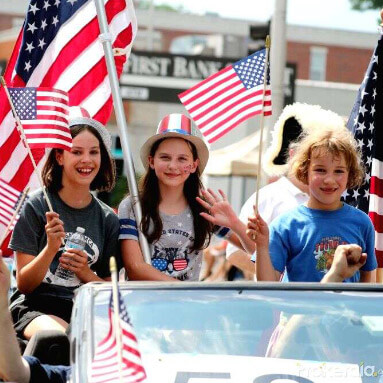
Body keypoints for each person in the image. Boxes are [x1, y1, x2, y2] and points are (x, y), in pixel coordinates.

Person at [0, 241, 366, 383]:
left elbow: (284, 356)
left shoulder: (239, 374)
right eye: (169, 324)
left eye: (193, 322)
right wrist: (2, 302)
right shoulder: (109, 372)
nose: (182, 331)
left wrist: (333, 278)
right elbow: (15, 372)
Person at [8, 107, 120, 343]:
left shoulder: (108, 218)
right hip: (33, 309)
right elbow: (24, 284)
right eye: (76, 152)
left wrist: (86, 273)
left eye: (94, 152)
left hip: (85, 310)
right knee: (60, 340)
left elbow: (112, 290)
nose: (86, 160)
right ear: (59, 157)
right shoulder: (37, 205)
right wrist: (50, 248)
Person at [118, 113, 255, 281]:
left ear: (193, 165)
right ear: (151, 161)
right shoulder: (133, 206)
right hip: (143, 303)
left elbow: (255, 249)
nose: (173, 166)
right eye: (165, 157)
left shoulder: (203, 208)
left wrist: (234, 222)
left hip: (189, 305)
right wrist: (181, 289)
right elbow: (134, 268)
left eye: (182, 159)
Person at [226, 103, 346, 276]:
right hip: (281, 300)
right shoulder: (267, 198)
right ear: (293, 155)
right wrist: (282, 276)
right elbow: (234, 253)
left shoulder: (339, 199)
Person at [247, 126, 377, 282]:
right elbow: (268, 286)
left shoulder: (362, 222)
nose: (329, 180)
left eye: (339, 171)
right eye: (320, 170)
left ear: (350, 174)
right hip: (297, 307)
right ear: (304, 171)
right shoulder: (286, 224)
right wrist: (261, 246)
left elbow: (367, 283)